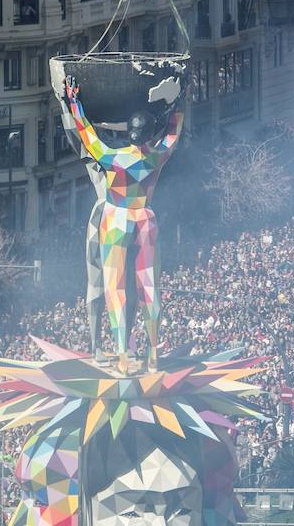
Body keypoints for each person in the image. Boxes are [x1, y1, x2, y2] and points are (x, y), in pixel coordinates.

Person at [62, 75, 183, 374]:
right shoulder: (156, 157)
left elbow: (87, 134)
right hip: (145, 217)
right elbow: (173, 133)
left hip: (116, 218)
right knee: (149, 286)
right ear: (148, 134)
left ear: (129, 133)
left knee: (115, 287)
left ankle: (122, 355)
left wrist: (74, 101)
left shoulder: (112, 158)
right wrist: (178, 100)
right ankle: (153, 352)